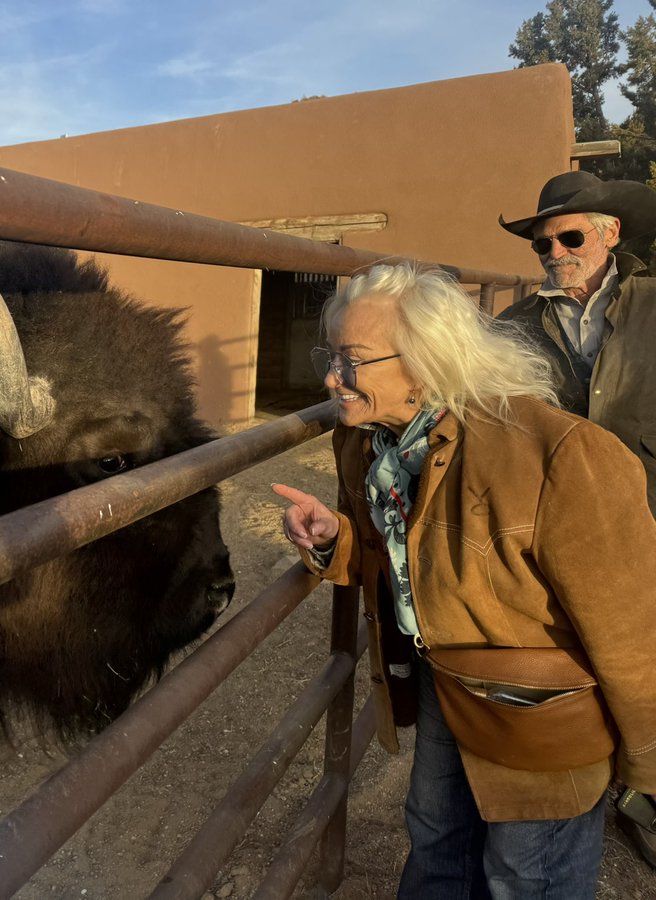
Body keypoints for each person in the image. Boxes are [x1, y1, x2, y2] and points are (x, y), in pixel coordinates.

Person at [273, 262, 656, 898]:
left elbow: (633, 625)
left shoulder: (560, 455)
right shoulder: (370, 447)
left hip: (539, 715)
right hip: (444, 676)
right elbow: (397, 556)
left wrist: (644, 758)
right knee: (434, 837)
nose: (330, 378)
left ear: (425, 362)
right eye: (331, 355)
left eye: (353, 360)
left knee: (526, 875)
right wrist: (336, 538)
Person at [498, 169, 656, 867]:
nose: (556, 251)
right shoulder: (515, 328)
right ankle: (608, 783)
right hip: (562, 532)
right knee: (583, 652)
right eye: (542, 244)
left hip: (650, 516)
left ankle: (646, 787)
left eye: (570, 235)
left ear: (611, 232)